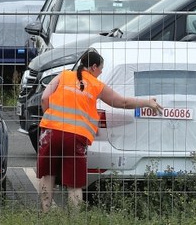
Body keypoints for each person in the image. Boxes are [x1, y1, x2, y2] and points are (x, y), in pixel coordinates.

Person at [37, 48, 164, 212]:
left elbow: (44, 98)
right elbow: (122, 102)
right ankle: (75, 220)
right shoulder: (96, 85)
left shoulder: (63, 75)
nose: (101, 73)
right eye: (101, 69)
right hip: (76, 137)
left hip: (51, 132)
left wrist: (50, 117)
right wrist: (147, 102)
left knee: (48, 175)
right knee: (74, 184)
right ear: (93, 67)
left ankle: (46, 213)